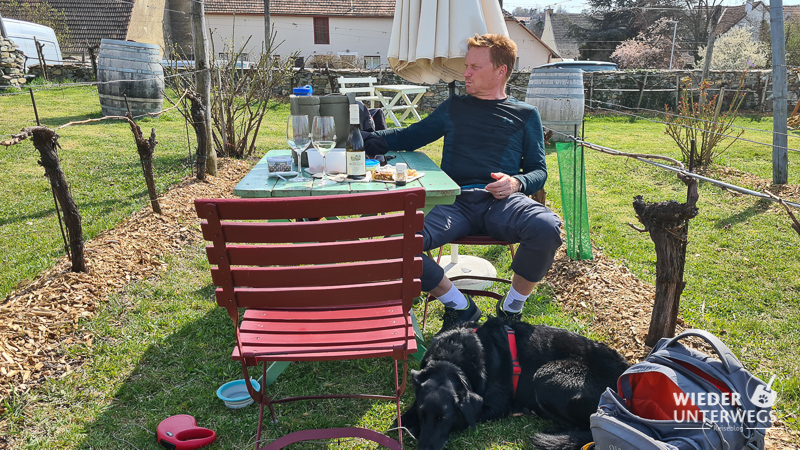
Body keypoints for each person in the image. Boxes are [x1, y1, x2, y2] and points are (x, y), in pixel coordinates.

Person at [363, 33, 563, 332]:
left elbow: (537, 171)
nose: (466, 73)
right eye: (466, 66)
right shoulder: (454, 108)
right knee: (398, 242)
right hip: (454, 202)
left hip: (504, 202)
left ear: (501, 71)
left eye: (474, 67)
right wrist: (357, 139)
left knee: (547, 228)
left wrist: (517, 182)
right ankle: (459, 306)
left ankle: (511, 309)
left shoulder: (525, 115)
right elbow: (408, 137)